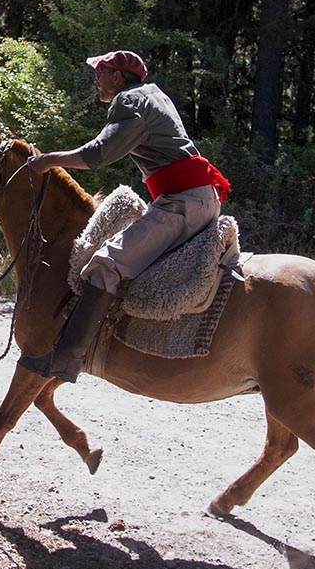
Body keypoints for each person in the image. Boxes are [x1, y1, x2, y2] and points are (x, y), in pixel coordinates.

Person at [18, 50, 231, 383]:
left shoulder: (128, 102)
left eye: (100, 72)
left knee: (106, 263)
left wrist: (48, 160)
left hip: (180, 203)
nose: (95, 79)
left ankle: (63, 361)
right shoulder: (154, 95)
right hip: (200, 198)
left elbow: (99, 155)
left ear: (117, 76)